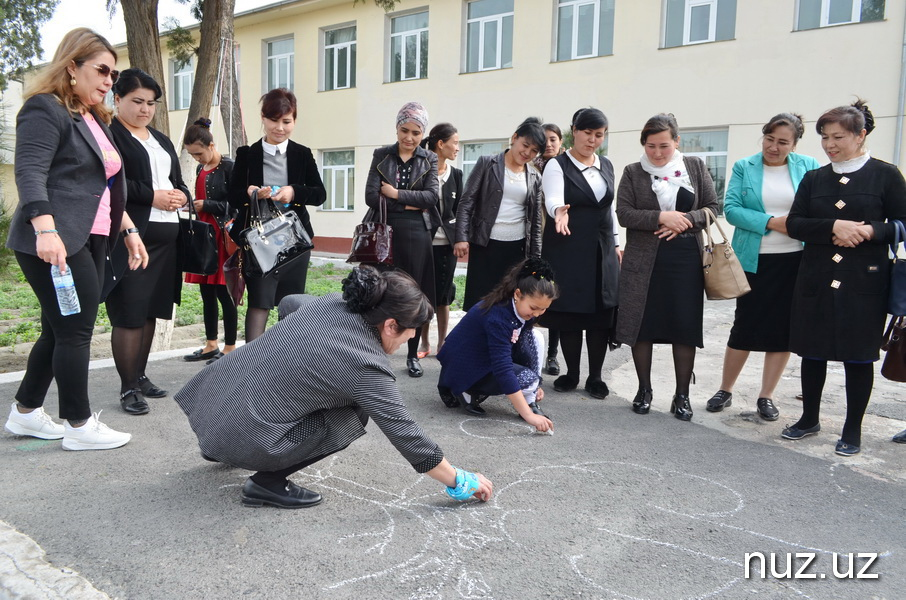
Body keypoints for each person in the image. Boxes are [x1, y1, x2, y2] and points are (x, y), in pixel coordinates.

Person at [175, 266, 493, 508]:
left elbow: (289, 302)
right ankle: (266, 483)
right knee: (355, 414)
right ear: (390, 325)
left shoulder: (333, 302)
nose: (411, 338)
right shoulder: (365, 366)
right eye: (411, 332)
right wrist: (461, 482)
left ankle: (225, 447)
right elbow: (406, 434)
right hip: (239, 437)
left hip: (208, 411)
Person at [3, 28, 146, 450]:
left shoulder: (91, 117)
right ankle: (79, 426)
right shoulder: (44, 109)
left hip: (90, 237)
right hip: (56, 241)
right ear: (71, 67)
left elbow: (102, 187)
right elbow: (29, 173)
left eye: (112, 74)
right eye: (101, 70)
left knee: (58, 329)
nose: (108, 81)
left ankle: (25, 413)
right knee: (76, 331)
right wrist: (46, 230)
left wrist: (128, 229)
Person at [783, 100, 906, 456]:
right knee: (813, 351)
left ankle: (853, 430)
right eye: (824, 137)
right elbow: (795, 223)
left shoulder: (886, 175)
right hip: (817, 276)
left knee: (857, 356)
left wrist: (868, 231)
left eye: (838, 137)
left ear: (861, 134)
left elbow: (902, 223)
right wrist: (834, 227)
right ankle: (809, 419)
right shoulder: (814, 178)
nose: (829, 144)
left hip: (864, 280)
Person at [706, 113, 820, 421]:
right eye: (770, 139)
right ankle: (725, 389)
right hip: (754, 260)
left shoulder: (808, 166)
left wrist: (793, 225)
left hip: (796, 260)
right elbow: (731, 210)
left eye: (783, 142)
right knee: (745, 325)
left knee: (784, 330)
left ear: (794, 144)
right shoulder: (745, 166)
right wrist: (771, 222)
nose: (774, 147)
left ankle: (766, 395)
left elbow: (817, 208)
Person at [615, 113, 719, 421]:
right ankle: (644, 389)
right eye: (650, 146)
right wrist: (662, 218)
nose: (657, 153)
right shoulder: (633, 172)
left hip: (686, 257)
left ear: (677, 141)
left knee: (683, 327)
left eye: (664, 145)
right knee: (642, 325)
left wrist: (684, 220)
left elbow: (713, 208)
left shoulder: (695, 167)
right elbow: (624, 213)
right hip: (644, 261)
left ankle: (681, 395)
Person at [107, 68, 190, 416]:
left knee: (151, 309)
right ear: (118, 100)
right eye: (136, 101)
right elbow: (113, 184)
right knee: (129, 312)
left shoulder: (160, 139)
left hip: (168, 238)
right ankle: (127, 389)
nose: (144, 109)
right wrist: (153, 197)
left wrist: (181, 197)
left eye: (151, 103)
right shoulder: (111, 136)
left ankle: (140, 376)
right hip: (132, 237)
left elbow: (179, 181)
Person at [228, 88, 327, 343]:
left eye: (286, 121)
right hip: (259, 240)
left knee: (291, 302)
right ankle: (252, 364)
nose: (279, 128)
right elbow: (232, 193)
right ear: (263, 118)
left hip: (294, 240)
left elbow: (319, 194)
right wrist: (250, 191)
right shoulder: (247, 155)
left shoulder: (302, 154)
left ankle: (286, 361)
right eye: (274, 120)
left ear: (294, 120)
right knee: (259, 302)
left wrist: (293, 192)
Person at [540, 108, 620, 399]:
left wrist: (617, 243)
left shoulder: (607, 165)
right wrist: (557, 211)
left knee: (601, 312)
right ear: (574, 130)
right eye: (588, 133)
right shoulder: (557, 165)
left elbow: (609, 209)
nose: (593, 140)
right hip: (568, 246)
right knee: (571, 312)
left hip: (602, 249)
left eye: (599, 135)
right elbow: (553, 198)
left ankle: (595, 377)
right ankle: (572, 373)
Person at [364, 101, 441, 378]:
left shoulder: (428, 158)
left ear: (423, 133)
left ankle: (411, 355)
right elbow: (371, 196)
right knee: (381, 290)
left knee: (415, 292)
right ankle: (374, 352)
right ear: (397, 128)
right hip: (385, 229)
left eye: (416, 132)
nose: (409, 138)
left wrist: (395, 194)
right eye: (404, 130)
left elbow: (432, 198)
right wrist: (411, 203)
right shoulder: (381, 155)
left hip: (417, 234)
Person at [437, 258, 556, 432]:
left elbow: (522, 342)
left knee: (536, 338)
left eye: (543, 309)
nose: (537, 313)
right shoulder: (498, 316)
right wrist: (528, 415)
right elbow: (502, 368)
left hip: (481, 358)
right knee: (527, 379)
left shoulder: (517, 308)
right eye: (534, 307)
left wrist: (534, 386)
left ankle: (529, 398)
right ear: (517, 294)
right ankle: (466, 388)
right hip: (462, 367)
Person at [455, 118, 546, 313]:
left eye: (534, 151)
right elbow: (467, 201)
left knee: (509, 303)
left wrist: (535, 259)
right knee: (480, 302)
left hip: (517, 247)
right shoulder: (487, 163)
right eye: (525, 145)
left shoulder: (534, 176)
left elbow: (536, 221)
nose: (527, 153)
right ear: (514, 138)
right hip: (485, 243)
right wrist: (461, 237)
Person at [181, 118, 238, 365]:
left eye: (199, 153)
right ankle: (211, 344)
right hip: (204, 234)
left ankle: (231, 347)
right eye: (193, 155)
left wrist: (208, 204)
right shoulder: (199, 169)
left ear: (212, 145)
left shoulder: (230, 167)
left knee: (225, 293)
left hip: (223, 236)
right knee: (206, 293)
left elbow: (238, 205)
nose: (197, 159)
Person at [417, 122, 462, 358]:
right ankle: (423, 342)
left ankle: (442, 342)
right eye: (454, 142)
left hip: (447, 244)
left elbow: (461, 210)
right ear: (441, 144)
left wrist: (462, 239)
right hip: (423, 241)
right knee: (424, 295)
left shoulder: (457, 175)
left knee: (444, 294)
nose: (457, 147)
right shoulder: (422, 171)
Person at [534, 123, 565, 377]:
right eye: (544, 140)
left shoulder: (566, 168)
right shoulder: (529, 167)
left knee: (553, 299)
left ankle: (552, 356)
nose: (549, 144)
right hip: (532, 240)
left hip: (557, 239)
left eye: (553, 139)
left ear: (561, 142)